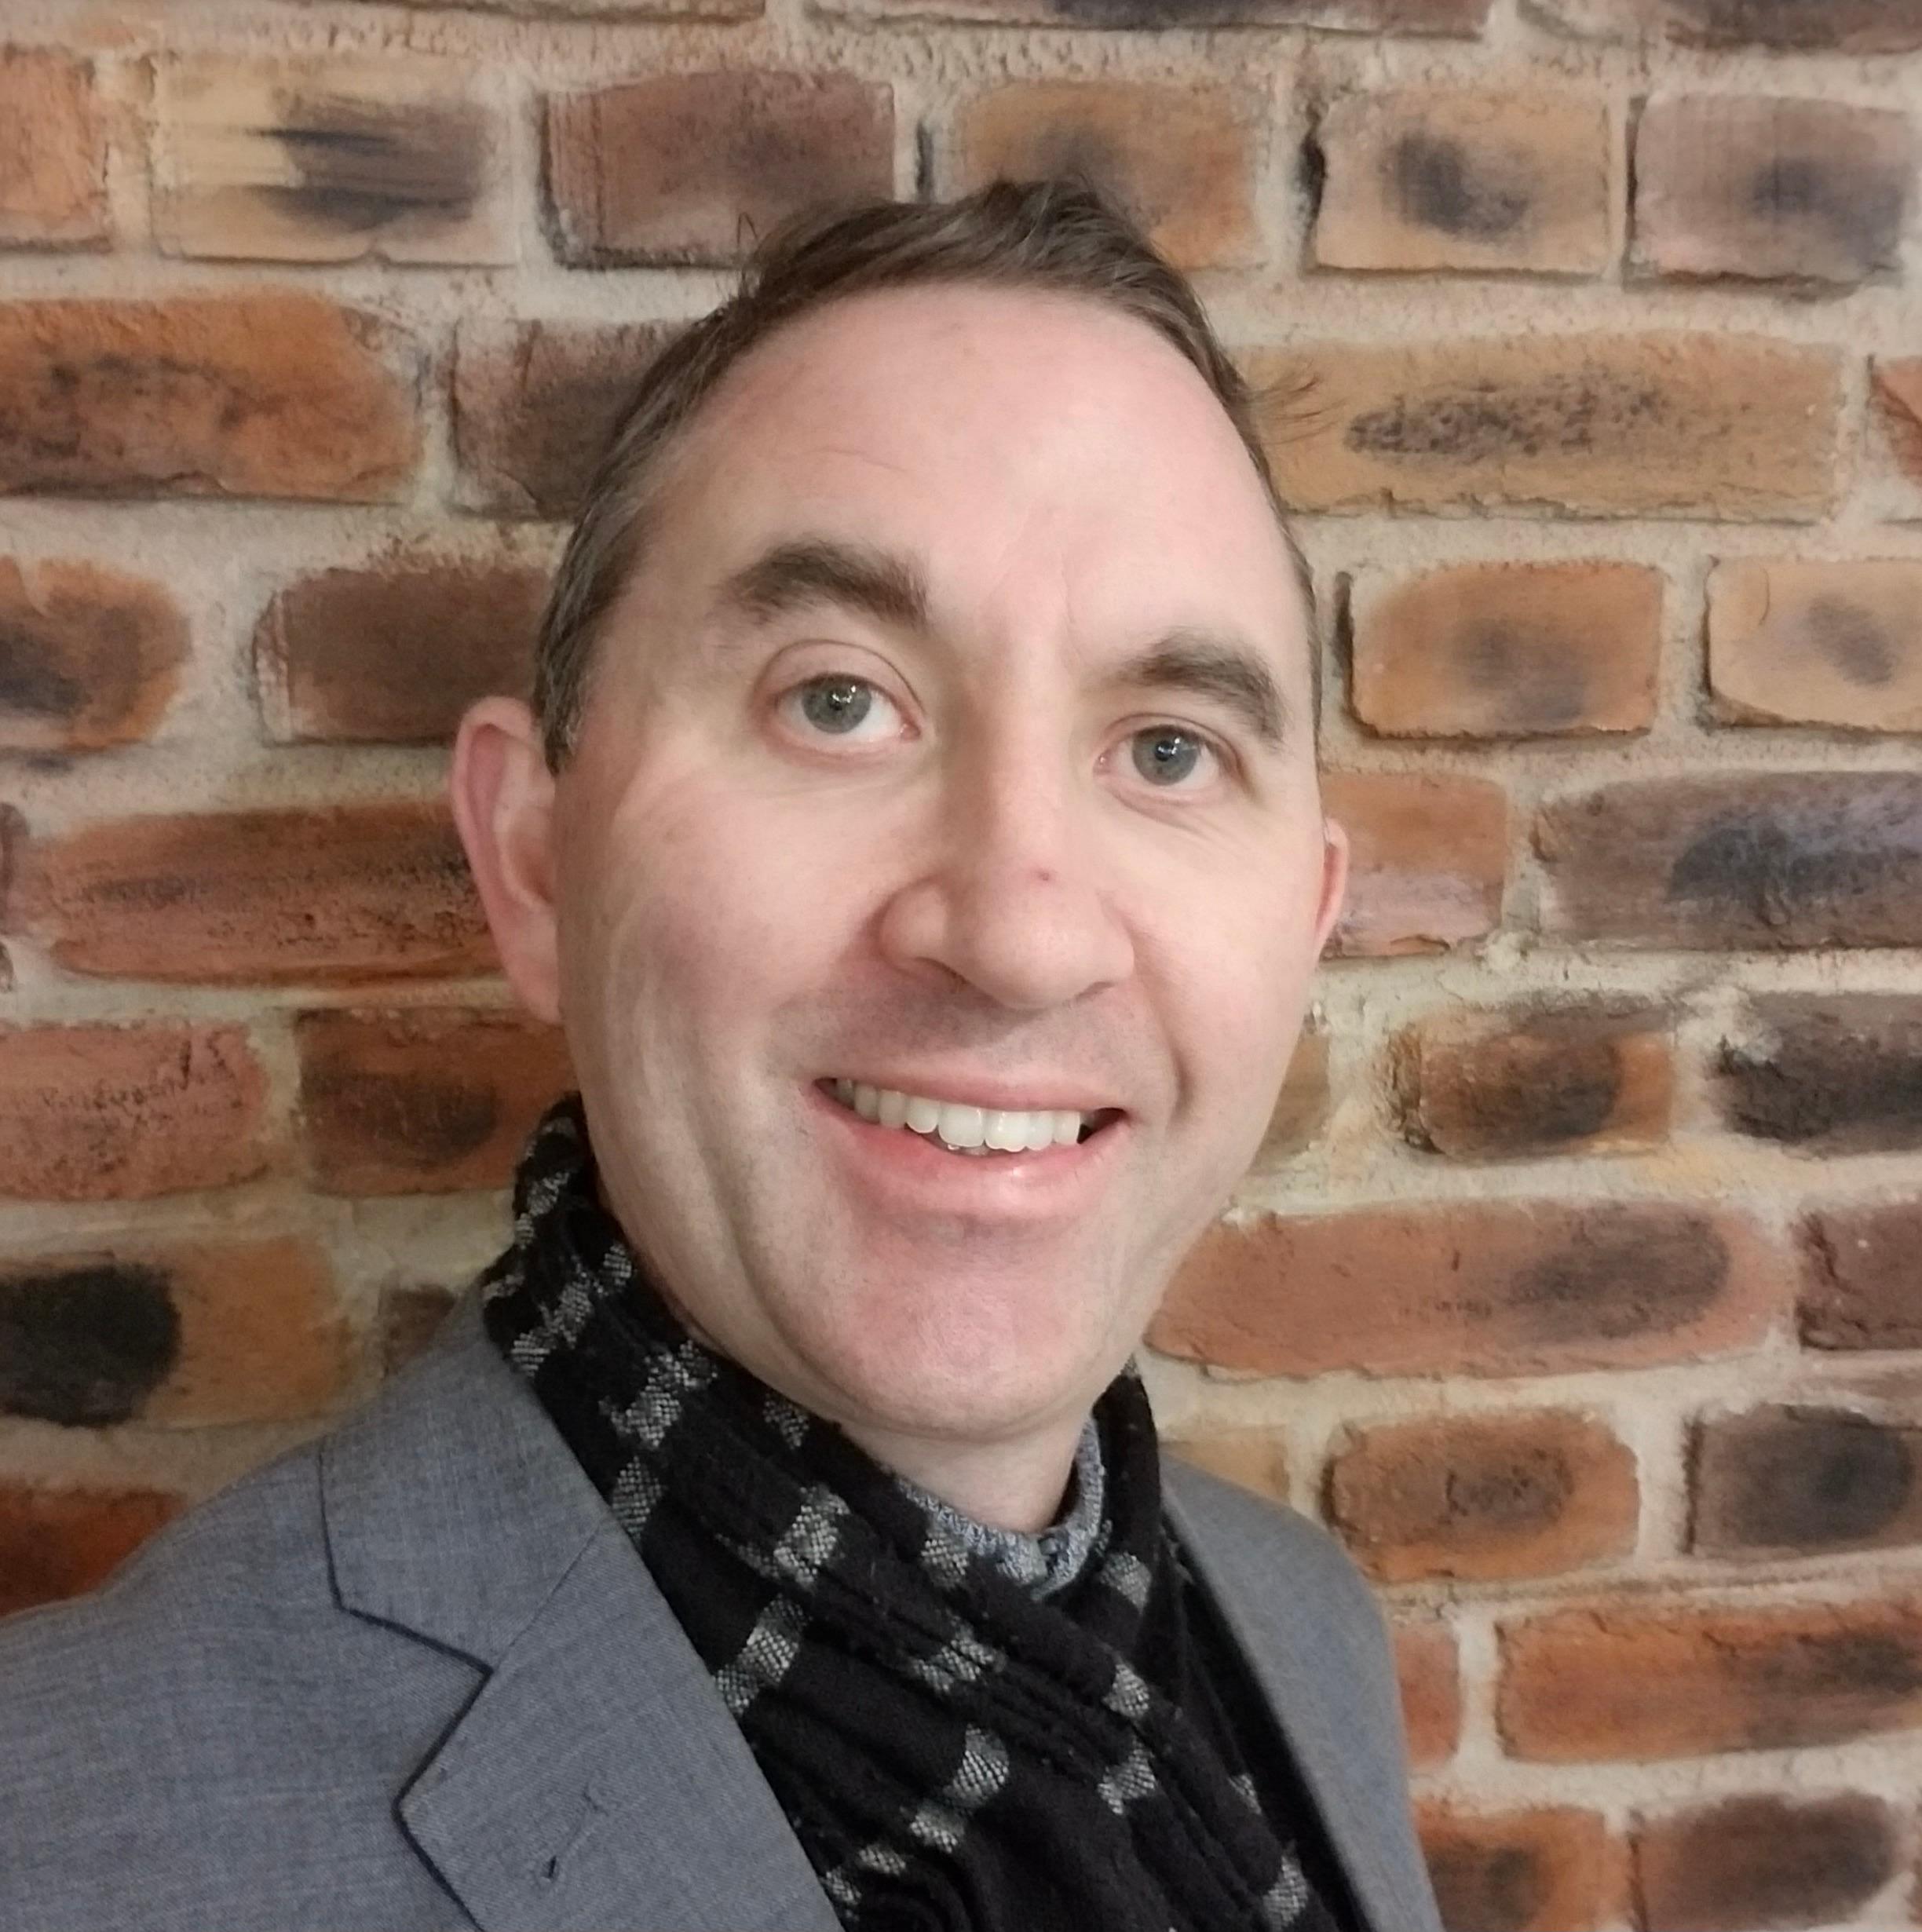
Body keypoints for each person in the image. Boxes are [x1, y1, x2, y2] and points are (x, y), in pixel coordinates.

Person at [0, 178, 1442, 1932]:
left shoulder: (1304, 1629)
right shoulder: (68, 1830)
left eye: (1166, 749)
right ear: (533, 860)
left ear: (1304, 922)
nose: (1019, 932)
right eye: (836, 698)